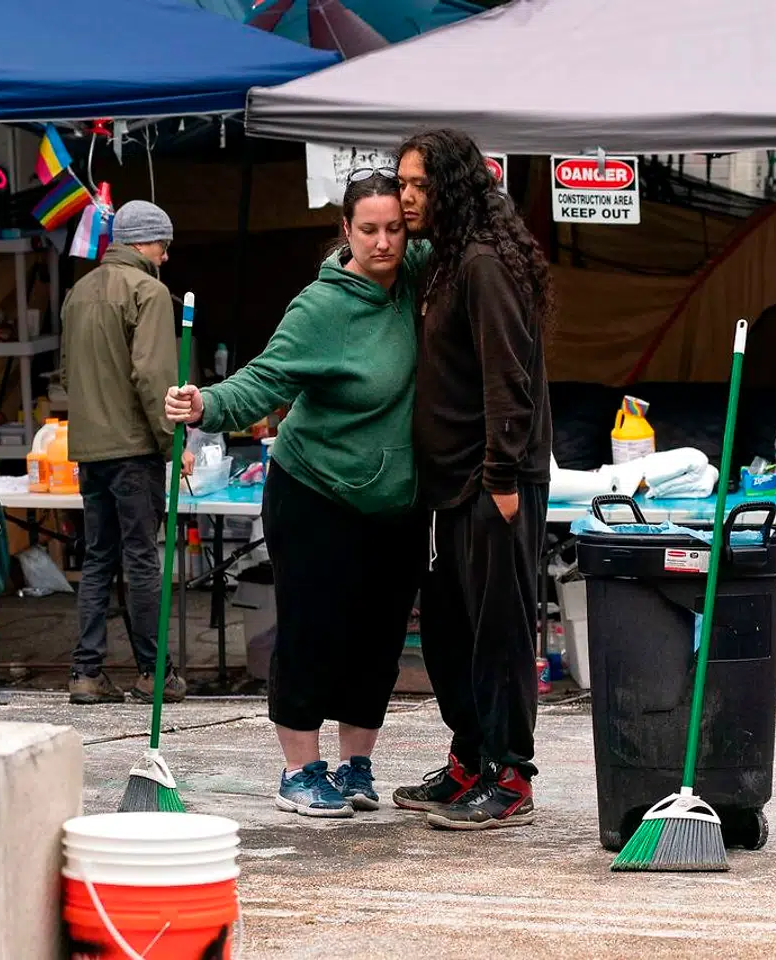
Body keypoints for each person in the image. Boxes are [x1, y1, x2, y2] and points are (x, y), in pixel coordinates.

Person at [165, 171, 423, 819]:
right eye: (369, 229)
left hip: (394, 501)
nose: (384, 242)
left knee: (379, 638)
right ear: (345, 231)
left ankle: (355, 763)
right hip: (315, 493)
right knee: (312, 632)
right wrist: (205, 404)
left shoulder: (421, 277)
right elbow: (263, 381)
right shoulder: (321, 309)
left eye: (395, 228)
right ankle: (299, 770)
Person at [392, 129, 555, 831]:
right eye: (400, 183)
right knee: (452, 634)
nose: (404, 198)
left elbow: (508, 380)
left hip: (495, 483)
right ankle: (470, 760)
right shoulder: (446, 260)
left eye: (416, 185)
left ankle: (511, 775)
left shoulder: (484, 264)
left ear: (451, 188)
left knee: (501, 634)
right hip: (451, 485)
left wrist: (503, 479)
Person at [61, 200, 192, 706]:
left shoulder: (80, 291)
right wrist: (172, 441)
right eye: (162, 245)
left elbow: (70, 372)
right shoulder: (149, 292)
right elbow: (154, 376)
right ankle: (153, 673)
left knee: (97, 558)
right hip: (135, 449)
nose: (165, 255)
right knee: (141, 559)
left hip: (89, 448)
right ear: (145, 242)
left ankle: (85, 672)